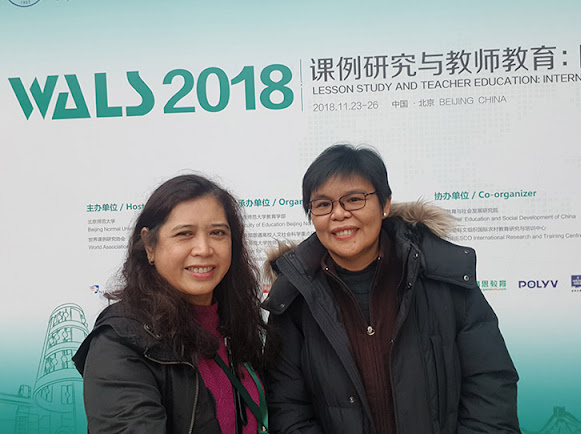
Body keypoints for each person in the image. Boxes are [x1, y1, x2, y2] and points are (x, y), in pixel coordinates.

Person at [263, 145, 520, 434]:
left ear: (385, 203)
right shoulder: (294, 297)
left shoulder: (443, 276)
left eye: (354, 200)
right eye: (323, 205)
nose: (339, 214)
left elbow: (490, 385)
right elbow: (288, 410)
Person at [73, 174, 269, 434]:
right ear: (149, 245)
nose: (203, 249)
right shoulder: (120, 342)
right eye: (185, 234)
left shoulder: (235, 324)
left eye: (217, 233)